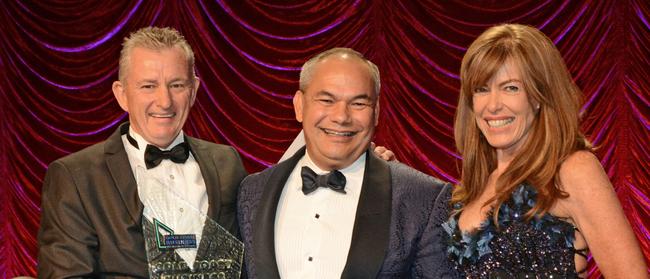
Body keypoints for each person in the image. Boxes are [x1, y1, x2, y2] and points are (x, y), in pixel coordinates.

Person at [37, 27, 247, 277]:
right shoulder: (76, 177)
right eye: (148, 86)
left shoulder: (226, 164)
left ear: (194, 91)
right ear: (122, 94)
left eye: (176, 84)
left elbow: (247, 261)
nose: (165, 101)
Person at [443, 23, 648, 278]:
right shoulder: (470, 189)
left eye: (511, 87)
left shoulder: (573, 170)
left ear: (539, 96)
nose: (493, 105)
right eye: (482, 89)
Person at [237, 48, 457, 278]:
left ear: (377, 112)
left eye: (358, 103)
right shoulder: (251, 190)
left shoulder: (424, 198)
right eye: (326, 100)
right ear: (299, 106)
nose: (341, 116)